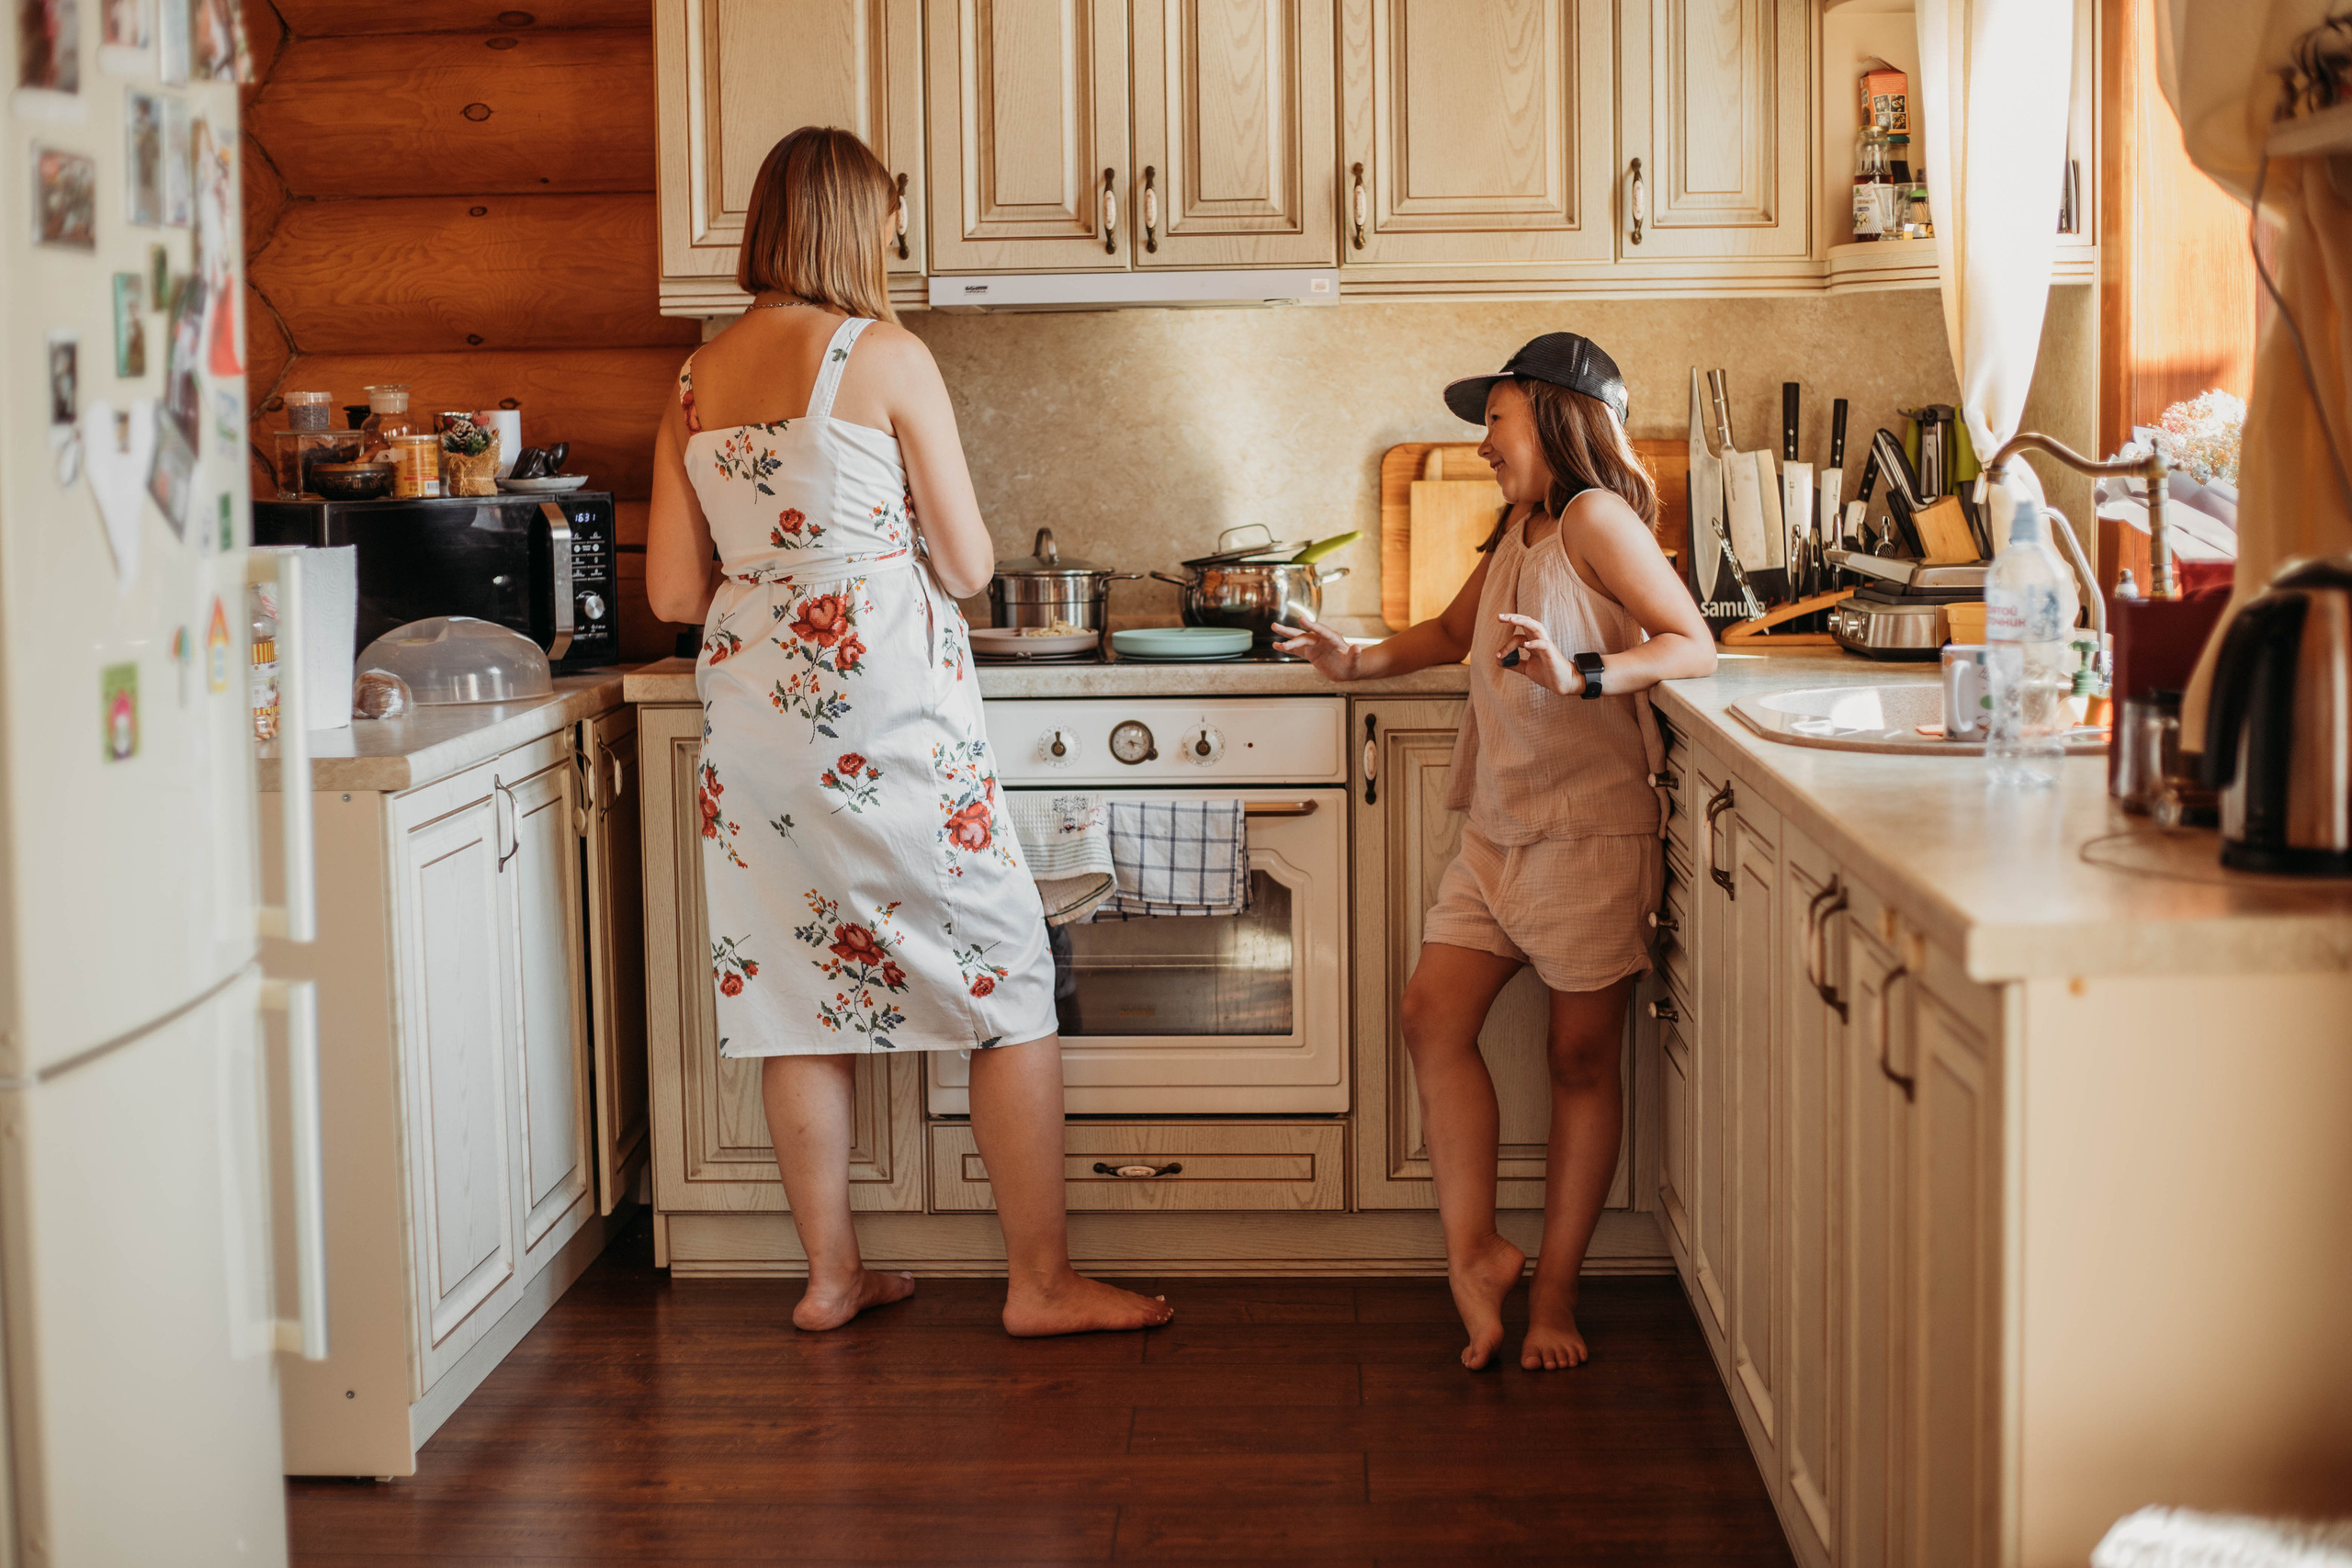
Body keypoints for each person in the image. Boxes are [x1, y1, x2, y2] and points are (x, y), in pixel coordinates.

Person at [645, 126, 1170, 1339]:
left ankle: (832, 1276)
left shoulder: (691, 382)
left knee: (794, 991)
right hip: (884, 714)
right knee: (1008, 975)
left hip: (754, 724)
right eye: (888, 212)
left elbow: (675, 593)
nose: (895, 231)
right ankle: (1040, 1284)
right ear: (854, 220)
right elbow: (975, 562)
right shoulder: (884, 354)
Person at [1274, 334, 1714, 1371]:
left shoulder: (1595, 519)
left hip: (1587, 835)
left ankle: (1555, 1295)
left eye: (1496, 420)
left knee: (1577, 1063)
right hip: (1497, 833)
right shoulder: (1520, 524)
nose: (1482, 444)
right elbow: (1447, 631)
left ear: (1557, 416)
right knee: (1431, 1014)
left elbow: (1690, 640)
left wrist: (1582, 676)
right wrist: (1354, 660)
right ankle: (1474, 1255)